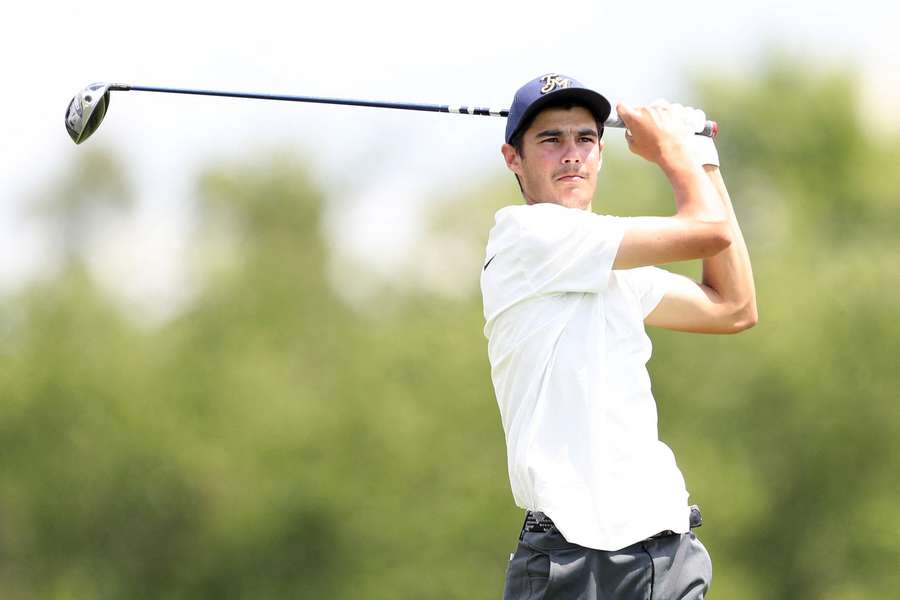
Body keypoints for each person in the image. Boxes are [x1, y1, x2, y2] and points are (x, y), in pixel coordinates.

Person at [480, 73, 757, 599]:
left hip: (664, 548)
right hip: (570, 558)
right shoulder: (525, 236)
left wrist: (703, 159)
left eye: (585, 138)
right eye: (550, 140)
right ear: (512, 158)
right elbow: (709, 229)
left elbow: (733, 307)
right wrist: (676, 152)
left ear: (601, 154)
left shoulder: (608, 258)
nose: (572, 154)